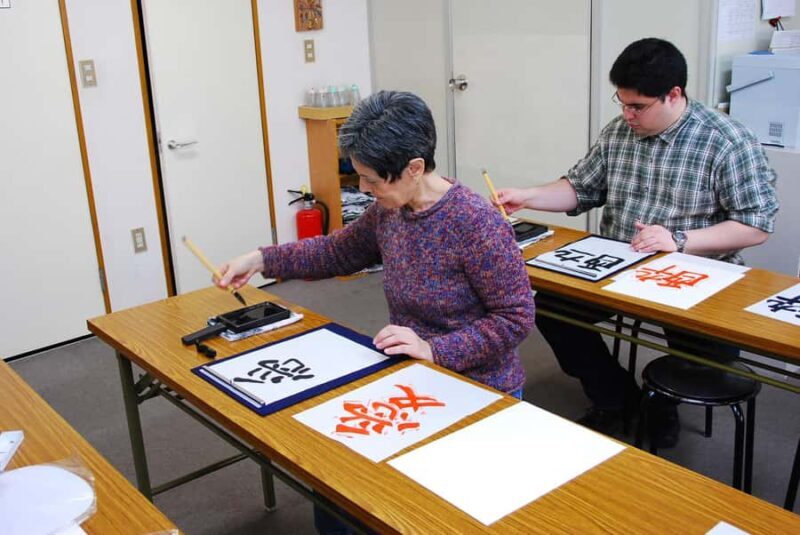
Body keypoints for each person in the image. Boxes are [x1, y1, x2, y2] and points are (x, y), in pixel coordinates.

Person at [217, 90, 535, 534]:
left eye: (371, 179)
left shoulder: (476, 224)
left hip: (476, 387)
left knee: (417, 513)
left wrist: (435, 349)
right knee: (332, 474)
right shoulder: (392, 209)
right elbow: (337, 251)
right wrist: (261, 260)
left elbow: (516, 317)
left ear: (415, 168)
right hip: (411, 375)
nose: (364, 189)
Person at [495, 38, 778, 448]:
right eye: (622, 103)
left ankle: (660, 402)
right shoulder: (619, 132)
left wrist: (680, 241)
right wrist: (529, 195)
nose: (627, 115)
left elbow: (756, 224)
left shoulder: (727, 139)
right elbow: (581, 188)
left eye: (638, 107)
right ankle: (616, 397)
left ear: (673, 94)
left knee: (707, 357)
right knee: (550, 307)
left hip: (694, 273)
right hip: (616, 264)